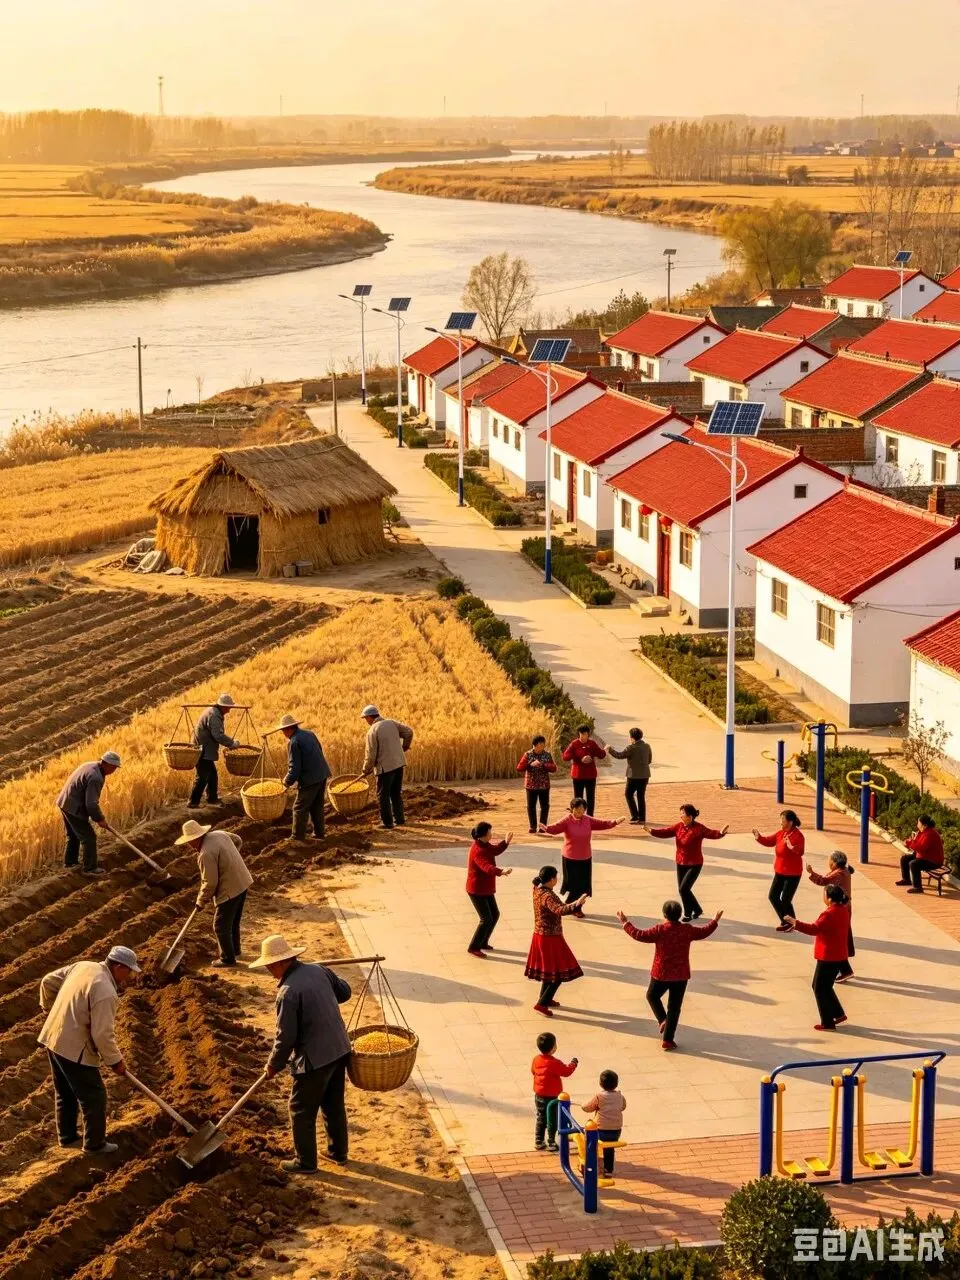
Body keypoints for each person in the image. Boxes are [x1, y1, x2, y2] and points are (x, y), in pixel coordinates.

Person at [251, 934, 352, 1174]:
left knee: (300, 1109)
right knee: (333, 1103)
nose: (269, 972)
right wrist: (323, 985)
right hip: (339, 1048)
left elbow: (285, 1037)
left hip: (315, 1058)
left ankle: (305, 1162)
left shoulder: (287, 992)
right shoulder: (319, 970)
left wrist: (273, 1065)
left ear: (279, 963)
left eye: (269, 967)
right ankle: (337, 1152)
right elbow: (345, 993)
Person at [38, 945, 140, 1155]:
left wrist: (52, 1010)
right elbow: (102, 1034)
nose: (129, 976)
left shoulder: (83, 966)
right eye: (129, 971)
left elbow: (47, 981)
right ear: (119, 967)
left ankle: (67, 1137)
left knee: (65, 1091)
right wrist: (116, 1062)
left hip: (53, 1036)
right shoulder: (106, 991)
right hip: (74, 1047)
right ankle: (95, 1144)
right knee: (94, 1095)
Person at [617, 901, 722, 1050]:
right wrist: (715, 920)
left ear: (664, 914)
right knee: (674, 1007)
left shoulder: (660, 930)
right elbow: (704, 932)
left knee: (652, 996)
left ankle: (662, 1019)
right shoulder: (687, 930)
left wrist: (625, 922)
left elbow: (639, 935)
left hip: (661, 973)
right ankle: (668, 1039)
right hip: (681, 975)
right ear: (679, 915)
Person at [176, 819, 253, 967]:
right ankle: (235, 950)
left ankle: (227, 959)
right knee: (233, 921)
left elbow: (210, 882)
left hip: (230, 889)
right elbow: (238, 840)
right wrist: (231, 859)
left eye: (190, 841)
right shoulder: (219, 834)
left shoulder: (205, 854)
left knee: (220, 926)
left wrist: (201, 901)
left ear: (196, 838)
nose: (189, 845)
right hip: (243, 881)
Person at [539, 799, 624, 918]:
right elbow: (556, 828)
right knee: (574, 885)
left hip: (585, 857)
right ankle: (571, 907)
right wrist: (546, 828)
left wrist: (614, 822)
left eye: (582, 810)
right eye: (578, 810)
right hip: (570, 858)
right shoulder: (567, 820)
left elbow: (602, 823)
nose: (580, 812)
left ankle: (573, 907)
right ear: (572, 809)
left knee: (583, 886)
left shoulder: (587, 820)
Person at [784, 884, 851, 1032]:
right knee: (825, 986)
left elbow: (814, 929)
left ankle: (828, 1022)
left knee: (819, 988)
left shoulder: (828, 914)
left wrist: (796, 923)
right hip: (838, 954)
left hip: (828, 956)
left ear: (829, 898)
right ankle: (838, 1013)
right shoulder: (843, 910)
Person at [645, 805, 728, 922]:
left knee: (684, 889)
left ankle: (688, 913)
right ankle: (697, 910)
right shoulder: (678, 826)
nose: (681, 816)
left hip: (695, 863)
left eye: (683, 813)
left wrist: (720, 833)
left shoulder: (699, 828)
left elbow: (711, 833)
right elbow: (666, 832)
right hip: (681, 862)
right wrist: (652, 831)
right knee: (682, 889)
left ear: (690, 816)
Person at [524, 866, 587, 1016]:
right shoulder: (547, 896)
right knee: (557, 973)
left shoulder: (538, 890)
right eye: (556, 877)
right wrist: (577, 903)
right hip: (549, 938)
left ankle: (545, 998)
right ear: (552, 879)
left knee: (549, 971)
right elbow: (559, 910)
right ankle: (541, 1004)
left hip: (541, 935)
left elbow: (559, 907)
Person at [56, 752, 122, 877]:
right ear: (106, 764)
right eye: (113, 767)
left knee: (73, 835)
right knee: (89, 838)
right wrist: (100, 819)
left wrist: (97, 818)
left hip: (64, 802)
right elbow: (91, 804)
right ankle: (90, 868)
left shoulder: (90, 765)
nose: (114, 770)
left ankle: (70, 863)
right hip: (73, 806)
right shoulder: (96, 777)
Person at [276, 714, 332, 841]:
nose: (283, 733)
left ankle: (297, 837)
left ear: (288, 729)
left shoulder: (294, 742)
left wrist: (286, 782)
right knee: (317, 805)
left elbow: (294, 767)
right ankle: (319, 833)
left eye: (283, 730)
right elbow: (319, 750)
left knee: (299, 807)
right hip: (322, 773)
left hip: (310, 778)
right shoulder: (309, 734)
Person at [360, 704, 414, 830]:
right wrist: (404, 747)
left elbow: (370, 755)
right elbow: (409, 732)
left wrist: (366, 770)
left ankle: (387, 822)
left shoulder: (372, 731)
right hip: (399, 763)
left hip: (385, 768)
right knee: (395, 793)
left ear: (369, 717)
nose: (366, 721)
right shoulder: (391, 723)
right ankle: (399, 819)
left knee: (382, 795)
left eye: (365, 718)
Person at [465, 822, 514, 957]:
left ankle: (483, 942)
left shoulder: (485, 845)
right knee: (486, 918)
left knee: (494, 914)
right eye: (489, 832)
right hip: (476, 889)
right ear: (483, 835)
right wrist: (501, 871)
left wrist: (505, 842)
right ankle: (474, 947)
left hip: (485, 888)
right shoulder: (477, 850)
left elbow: (495, 850)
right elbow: (486, 867)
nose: (491, 834)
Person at [807, 851, 855, 981]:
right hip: (844, 907)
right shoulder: (844, 871)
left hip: (840, 908)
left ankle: (846, 970)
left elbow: (824, 880)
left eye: (830, 861)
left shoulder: (839, 873)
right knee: (840, 936)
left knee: (837, 937)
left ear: (834, 862)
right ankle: (846, 970)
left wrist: (811, 872)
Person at [754, 809, 805, 930]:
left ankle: (792, 923)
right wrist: (759, 837)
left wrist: (791, 847)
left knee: (786, 899)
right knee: (773, 896)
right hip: (780, 871)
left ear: (790, 822)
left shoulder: (798, 836)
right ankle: (786, 921)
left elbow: (800, 851)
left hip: (793, 873)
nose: (781, 822)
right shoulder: (781, 833)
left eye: (783, 820)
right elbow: (769, 841)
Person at [189, 693, 238, 809]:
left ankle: (212, 798)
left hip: (203, 747)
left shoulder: (213, 711)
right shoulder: (214, 715)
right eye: (228, 707)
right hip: (203, 749)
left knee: (212, 775)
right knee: (202, 776)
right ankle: (193, 802)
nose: (229, 710)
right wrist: (232, 743)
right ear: (222, 706)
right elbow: (218, 735)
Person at [531, 1031, 578, 1152]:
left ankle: (539, 1140)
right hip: (552, 1097)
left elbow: (533, 1071)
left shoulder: (536, 1060)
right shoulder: (554, 1063)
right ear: (553, 1048)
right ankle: (551, 1141)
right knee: (552, 1119)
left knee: (541, 1117)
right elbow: (566, 1071)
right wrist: (573, 1064)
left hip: (539, 1095)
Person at [581, 1070, 627, 1174]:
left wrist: (582, 1105)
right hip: (616, 1131)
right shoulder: (620, 1096)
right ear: (616, 1084)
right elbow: (623, 1107)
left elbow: (587, 1108)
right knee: (609, 1147)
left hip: (600, 1130)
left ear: (600, 1084)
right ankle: (608, 1169)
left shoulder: (599, 1096)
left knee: (589, 1139)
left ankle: (590, 1164)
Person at [607, 728, 652, 824]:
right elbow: (649, 760)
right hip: (645, 775)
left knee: (628, 794)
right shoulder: (647, 746)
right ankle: (642, 818)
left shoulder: (631, 748)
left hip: (633, 776)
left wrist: (610, 749)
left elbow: (619, 755)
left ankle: (635, 816)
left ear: (632, 737)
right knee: (641, 796)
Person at [561, 726, 607, 816]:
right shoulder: (574, 744)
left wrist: (605, 750)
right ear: (579, 734)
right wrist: (579, 757)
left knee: (590, 798)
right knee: (578, 799)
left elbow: (601, 755)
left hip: (590, 775)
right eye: (581, 734)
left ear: (588, 734)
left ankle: (590, 817)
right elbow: (565, 757)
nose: (583, 736)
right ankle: (578, 816)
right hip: (578, 776)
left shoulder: (592, 743)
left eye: (585, 734)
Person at [517, 735, 557, 833]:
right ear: (535, 745)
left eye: (543, 744)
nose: (542, 746)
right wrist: (530, 764)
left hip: (544, 785)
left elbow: (554, 768)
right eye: (540, 744)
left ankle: (542, 826)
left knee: (545, 806)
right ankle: (533, 826)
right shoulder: (528, 754)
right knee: (531, 806)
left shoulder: (547, 755)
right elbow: (519, 768)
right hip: (531, 785)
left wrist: (544, 765)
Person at [897, 815, 945, 894]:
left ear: (924, 825)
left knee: (914, 864)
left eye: (918, 823)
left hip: (934, 861)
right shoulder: (923, 832)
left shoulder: (929, 834)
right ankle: (906, 880)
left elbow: (921, 848)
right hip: (925, 856)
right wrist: (908, 842)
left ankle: (918, 887)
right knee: (905, 859)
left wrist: (909, 844)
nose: (917, 825)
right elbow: (916, 843)